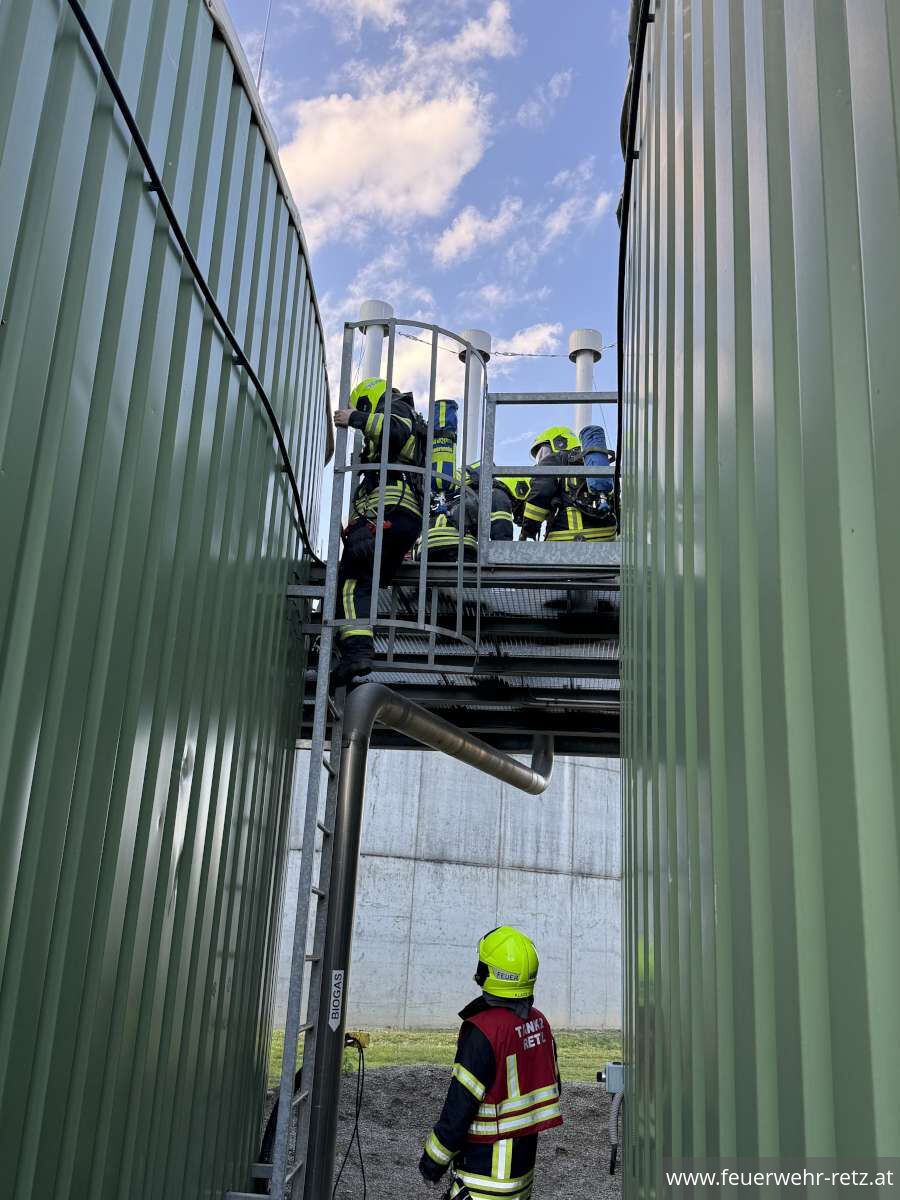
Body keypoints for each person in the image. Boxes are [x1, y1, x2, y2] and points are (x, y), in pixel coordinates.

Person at [419, 927, 563, 1199]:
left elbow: (459, 1108)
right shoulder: (539, 1023)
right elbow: (552, 1086)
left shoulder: (483, 1031)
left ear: (491, 973)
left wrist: (432, 1163)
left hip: (483, 1181)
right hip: (521, 1181)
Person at [332, 377, 425, 687]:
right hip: (396, 517)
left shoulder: (397, 407)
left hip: (388, 513)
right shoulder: (402, 415)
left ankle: (357, 652)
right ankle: (351, 650)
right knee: (364, 582)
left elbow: (394, 430)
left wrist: (354, 418)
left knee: (351, 582)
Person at [520, 427, 617, 542]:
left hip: (569, 536)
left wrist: (527, 531)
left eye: (544, 451)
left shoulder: (555, 459)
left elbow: (540, 494)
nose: (542, 458)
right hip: (608, 534)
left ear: (560, 443)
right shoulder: (594, 463)